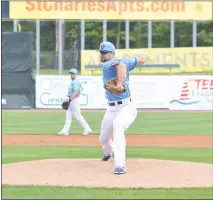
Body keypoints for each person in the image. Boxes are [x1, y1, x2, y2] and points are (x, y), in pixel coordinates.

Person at [98, 41, 146, 174]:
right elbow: (140, 60)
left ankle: (120, 165)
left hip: (126, 107)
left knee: (118, 127)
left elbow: (121, 65)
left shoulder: (110, 64)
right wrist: (135, 59)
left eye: (105, 53)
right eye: (101, 53)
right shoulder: (122, 61)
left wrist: (119, 82)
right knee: (103, 138)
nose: (103, 55)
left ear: (112, 53)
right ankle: (108, 152)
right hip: (111, 109)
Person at [57, 68, 92, 136]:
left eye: (73, 74)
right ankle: (65, 131)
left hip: (73, 100)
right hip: (70, 100)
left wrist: (70, 100)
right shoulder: (72, 82)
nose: (71, 75)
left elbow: (76, 92)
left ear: (75, 74)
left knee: (78, 116)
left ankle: (87, 129)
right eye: (71, 73)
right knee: (68, 117)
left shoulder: (75, 82)